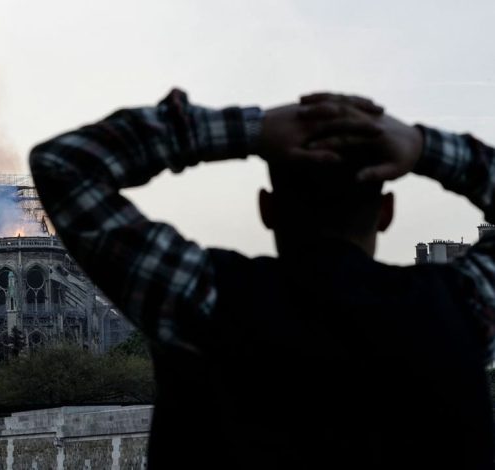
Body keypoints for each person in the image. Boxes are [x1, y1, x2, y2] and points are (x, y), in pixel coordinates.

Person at [29, 89, 495, 468]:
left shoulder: (202, 298)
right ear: (387, 212)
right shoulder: (462, 309)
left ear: (266, 209)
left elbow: (64, 164)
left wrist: (250, 130)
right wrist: (422, 146)